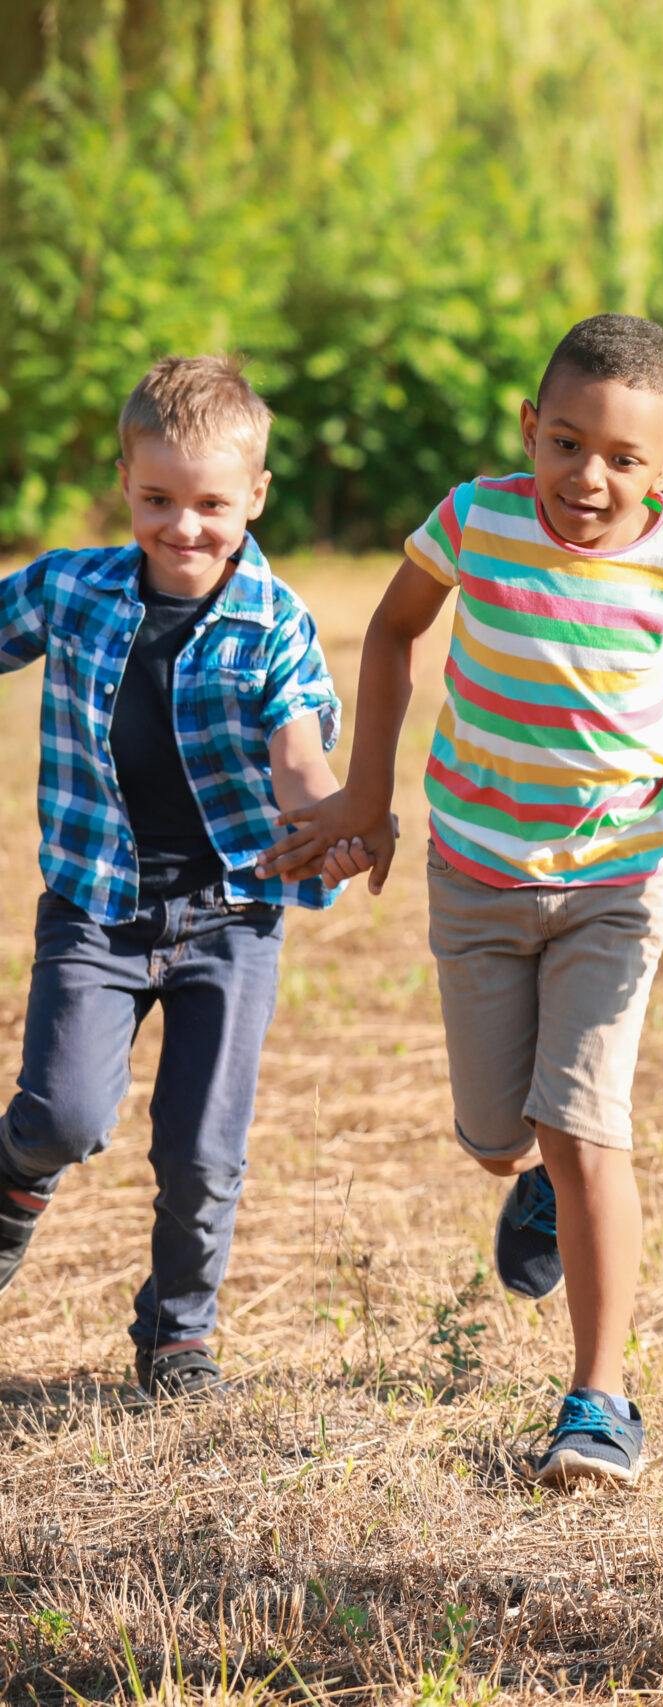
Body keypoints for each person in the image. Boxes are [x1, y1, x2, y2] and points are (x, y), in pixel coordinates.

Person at [259, 314, 663, 1487]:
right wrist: (366, 791)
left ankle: (598, 1399)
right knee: (497, 1139)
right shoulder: (478, 519)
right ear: (529, 431)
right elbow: (398, 628)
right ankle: (537, 1183)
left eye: (619, 457)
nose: (586, 478)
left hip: (616, 880)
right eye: (564, 443)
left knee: (588, 1123)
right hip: (476, 870)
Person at [0, 355, 367, 1397]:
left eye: (212, 503)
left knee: (203, 1151)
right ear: (125, 480)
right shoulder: (72, 589)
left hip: (230, 915)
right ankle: (12, 1185)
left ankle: (179, 1339)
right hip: (94, 903)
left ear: (254, 496)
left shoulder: (274, 623)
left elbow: (300, 763)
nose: (184, 527)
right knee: (65, 1117)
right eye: (158, 499)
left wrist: (327, 826)